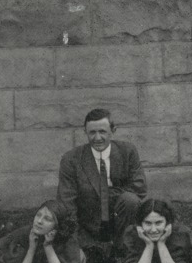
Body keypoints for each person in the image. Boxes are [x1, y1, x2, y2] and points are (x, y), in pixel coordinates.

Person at [57, 108, 147, 255]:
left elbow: (139, 188)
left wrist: (105, 194)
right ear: (85, 132)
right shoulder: (71, 159)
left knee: (130, 200)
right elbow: (66, 203)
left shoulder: (127, 151)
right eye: (92, 132)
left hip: (121, 219)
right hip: (88, 223)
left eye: (102, 132)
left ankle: (124, 247)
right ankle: (92, 247)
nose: (97, 138)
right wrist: (75, 242)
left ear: (113, 130)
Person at [117, 198, 192, 263]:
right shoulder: (133, 235)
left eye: (158, 223)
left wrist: (161, 243)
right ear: (140, 224)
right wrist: (149, 245)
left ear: (167, 223)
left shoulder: (179, 235)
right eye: (148, 223)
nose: (153, 230)